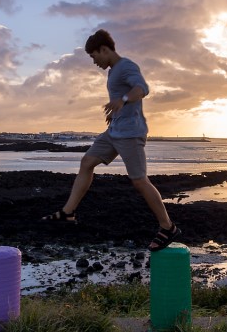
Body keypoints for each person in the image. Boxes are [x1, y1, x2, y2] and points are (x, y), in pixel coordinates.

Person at [42, 29, 181, 252]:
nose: (94, 61)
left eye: (94, 56)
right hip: (114, 131)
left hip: (130, 134)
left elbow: (142, 88)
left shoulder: (126, 66)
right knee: (87, 162)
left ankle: (168, 227)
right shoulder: (113, 71)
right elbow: (122, 97)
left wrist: (123, 100)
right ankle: (68, 212)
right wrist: (115, 111)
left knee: (139, 181)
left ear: (104, 49)